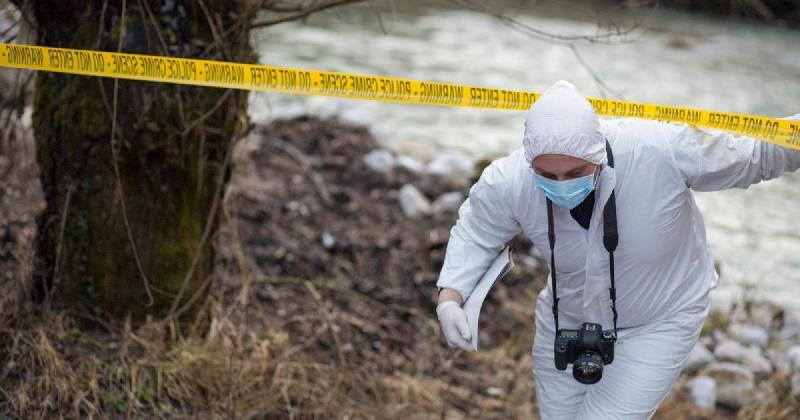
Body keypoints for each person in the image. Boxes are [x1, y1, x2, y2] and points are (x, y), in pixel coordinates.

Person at [434, 80, 800, 419]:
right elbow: (476, 231)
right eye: (547, 175)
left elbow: (758, 153)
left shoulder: (659, 148)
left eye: (575, 172)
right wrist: (450, 297)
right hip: (566, 321)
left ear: (598, 156)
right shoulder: (509, 180)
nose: (561, 185)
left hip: (660, 319)